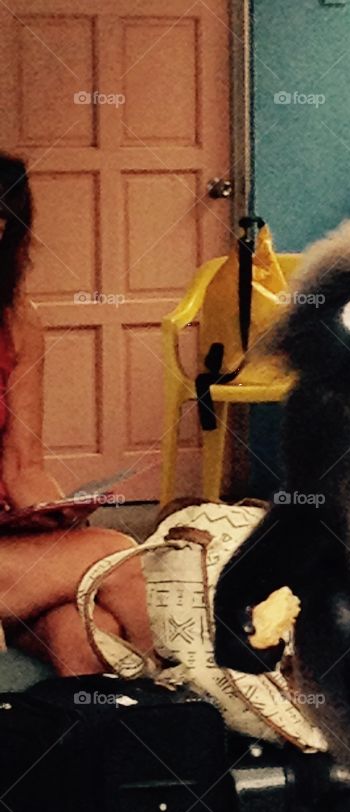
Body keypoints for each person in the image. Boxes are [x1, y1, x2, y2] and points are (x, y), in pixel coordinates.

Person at [0, 153, 152, 676]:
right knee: (117, 553)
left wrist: (49, 511)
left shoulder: (17, 321)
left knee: (88, 635)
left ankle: (128, 745)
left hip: (9, 550)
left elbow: (22, 464)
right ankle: (206, 697)